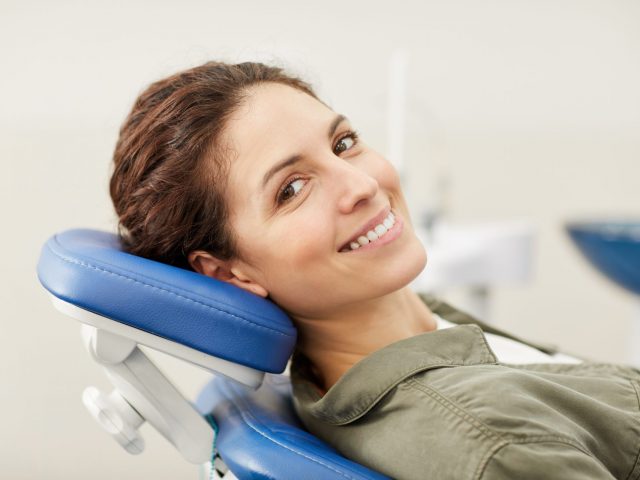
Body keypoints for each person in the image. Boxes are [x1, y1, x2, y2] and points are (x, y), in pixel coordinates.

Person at [109, 61, 640, 479]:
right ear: (229, 273)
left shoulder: (424, 326)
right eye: (291, 189)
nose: (362, 184)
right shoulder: (495, 445)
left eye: (343, 143)